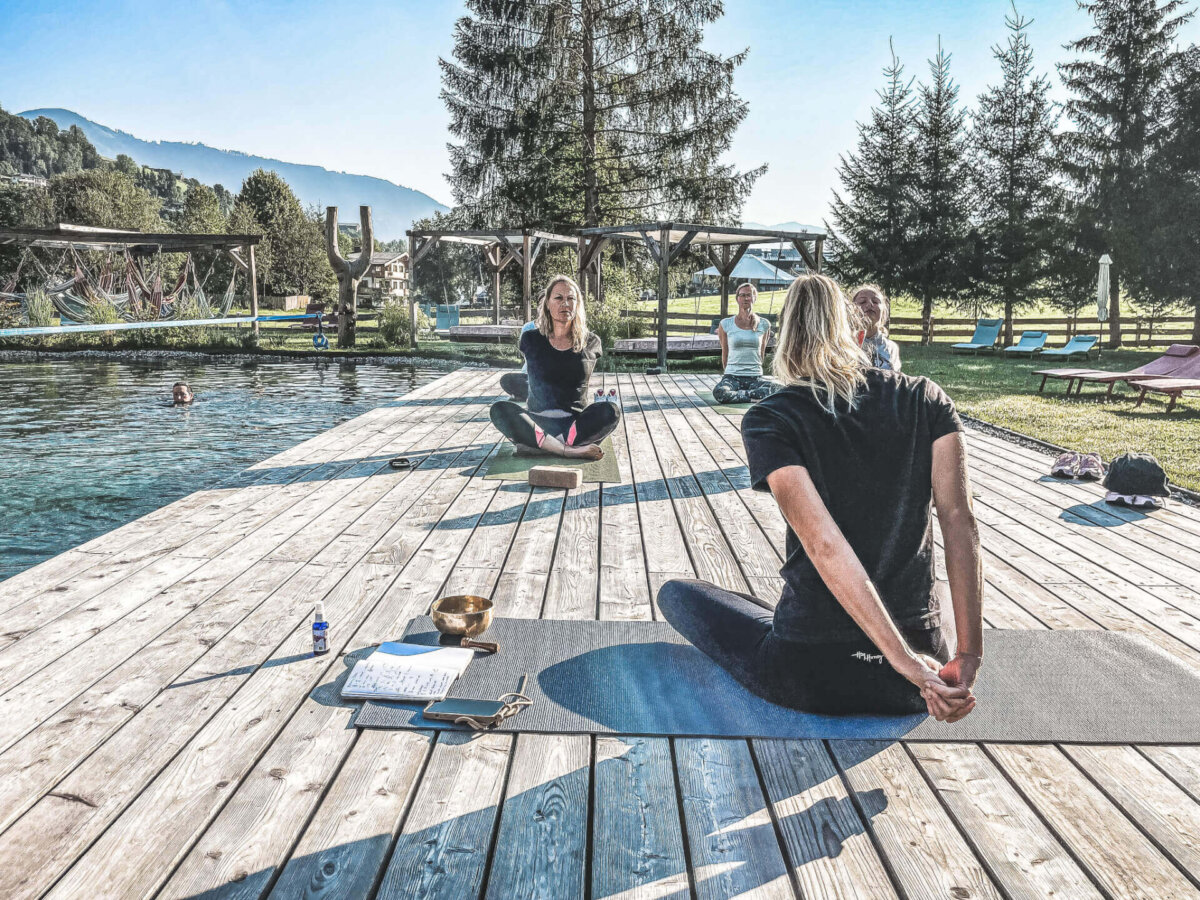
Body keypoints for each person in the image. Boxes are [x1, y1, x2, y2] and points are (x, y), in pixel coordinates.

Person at [657, 273, 984, 721]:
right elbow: (959, 520)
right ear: (859, 335)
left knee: (678, 593)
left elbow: (824, 544)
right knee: (938, 592)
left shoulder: (771, 417)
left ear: (784, 340)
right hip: (918, 677)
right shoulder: (926, 398)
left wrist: (905, 664)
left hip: (812, 671)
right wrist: (967, 657)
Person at [489, 275, 619, 460]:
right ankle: (568, 450)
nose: (565, 303)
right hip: (536, 421)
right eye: (558, 298)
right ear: (547, 304)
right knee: (500, 409)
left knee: (610, 411)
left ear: (577, 304)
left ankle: (541, 445)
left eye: (570, 298)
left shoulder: (591, 342)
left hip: (574, 422)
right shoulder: (530, 339)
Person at [713, 283, 778, 403]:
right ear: (737, 298)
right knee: (720, 392)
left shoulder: (764, 324)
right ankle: (752, 397)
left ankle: (741, 396)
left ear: (754, 298)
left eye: (749, 295)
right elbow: (725, 353)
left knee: (778, 389)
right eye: (742, 295)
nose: (746, 298)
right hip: (732, 377)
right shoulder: (726, 324)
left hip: (755, 377)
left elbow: (761, 353)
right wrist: (728, 372)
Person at [850, 284, 901, 371]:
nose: (870, 304)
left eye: (875, 301)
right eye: (862, 302)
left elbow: (896, 380)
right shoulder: (845, 345)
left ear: (884, 312)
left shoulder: (891, 348)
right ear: (851, 311)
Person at [500, 321, 540, 402]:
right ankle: (533, 395)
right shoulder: (528, 327)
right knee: (506, 380)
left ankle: (535, 396)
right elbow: (523, 350)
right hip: (530, 376)